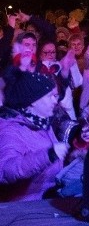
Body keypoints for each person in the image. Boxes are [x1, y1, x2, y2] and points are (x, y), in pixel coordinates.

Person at [0, 71, 68, 201]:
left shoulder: (42, 124)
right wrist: (48, 155)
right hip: (20, 210)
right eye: (50, 96)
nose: (55, 101)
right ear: (33, 101)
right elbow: (6, 170)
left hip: (41, 202)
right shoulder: (11, 130)